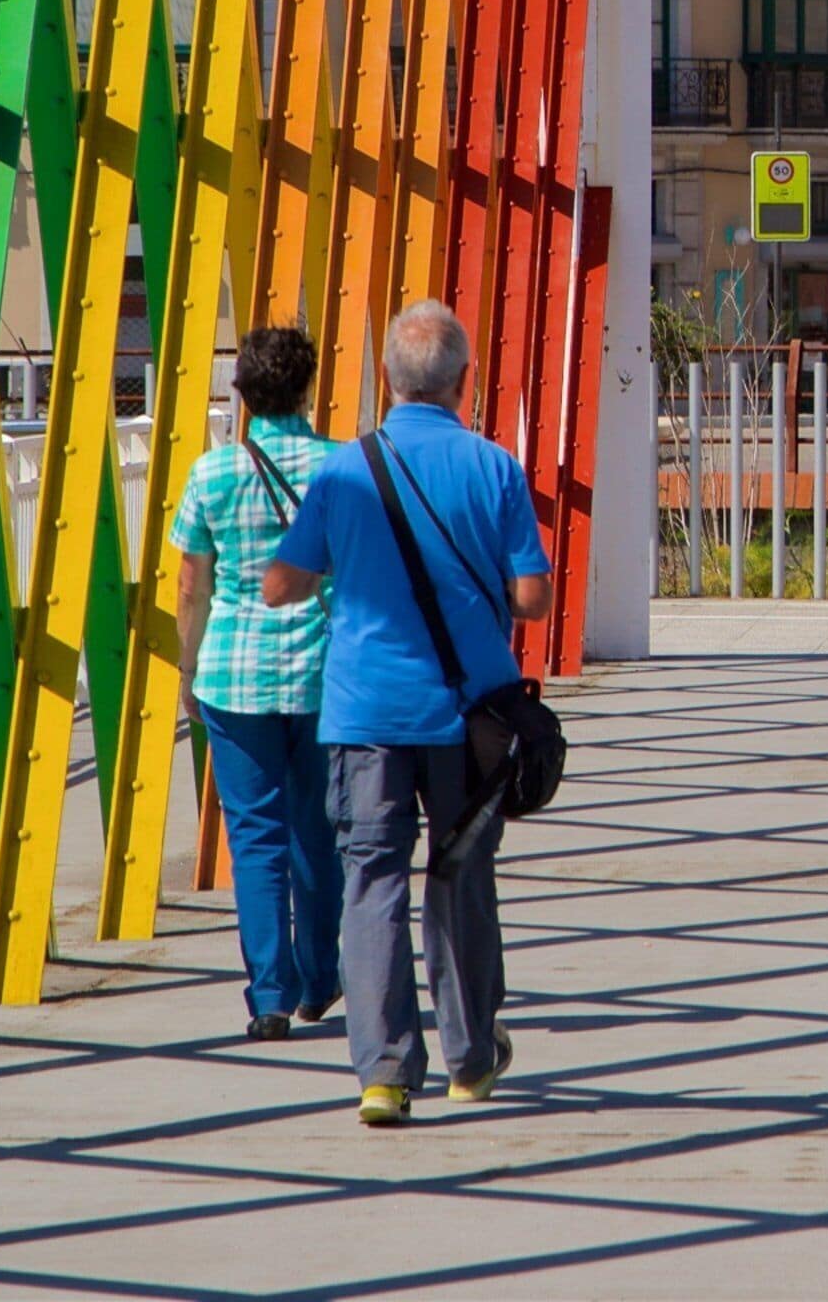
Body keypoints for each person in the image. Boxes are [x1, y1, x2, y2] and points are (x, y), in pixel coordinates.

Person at [261, 301, 554, 1128]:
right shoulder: (494, 467)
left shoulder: (343, 471)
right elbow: (532, 599)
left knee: (372, 881)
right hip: (469, 721)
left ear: (386, 380)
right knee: (461, 879)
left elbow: (284, 584)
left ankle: (384, 1073)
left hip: (365, 716)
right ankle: (467, 1059)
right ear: (465, 381)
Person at [170, 325, 340, 1043]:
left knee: (255, 838)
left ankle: (269, 995)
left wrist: (188, 666)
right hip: (324, 676)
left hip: (233, 678)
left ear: (242, 394)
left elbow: (190, 586)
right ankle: (320, 975)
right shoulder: (343, 468)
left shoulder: (212, 473)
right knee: (321, 830)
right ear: (307, 388)